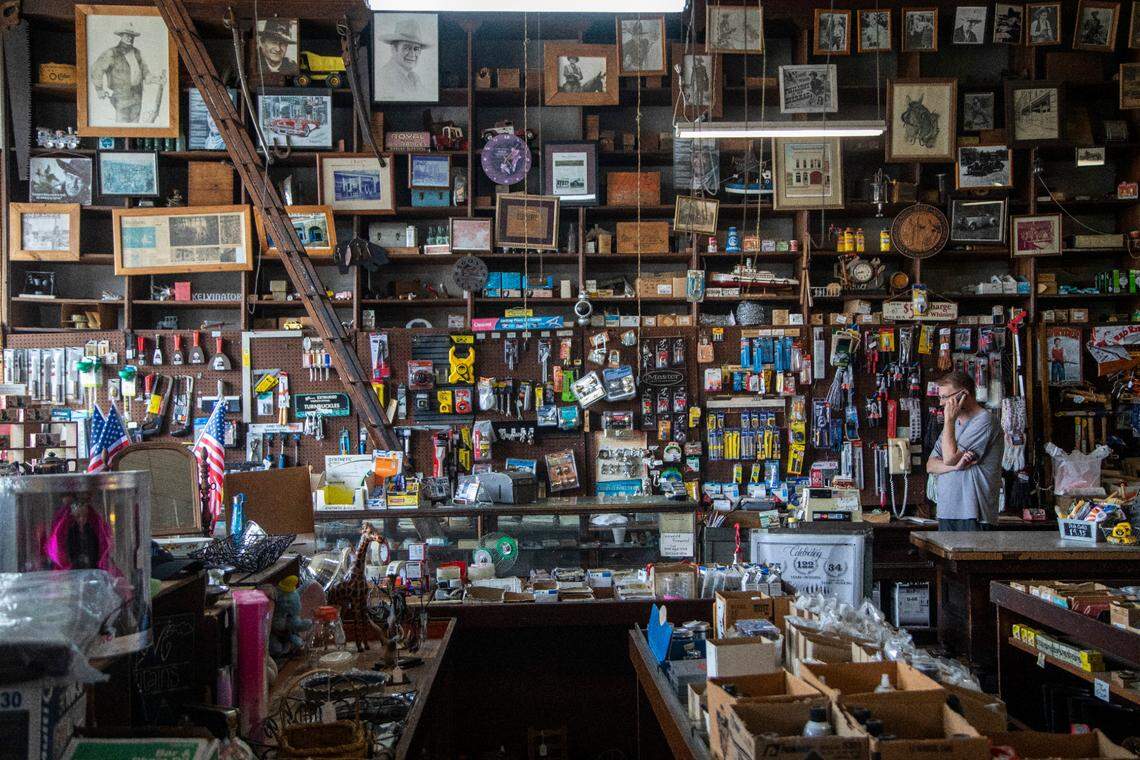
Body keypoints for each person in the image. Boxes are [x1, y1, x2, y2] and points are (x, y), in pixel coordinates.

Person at [926, 371, 1004, 531]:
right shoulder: (953, 426)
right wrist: (955, 467)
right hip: (947, 511)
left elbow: (949, 458)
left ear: (964, 394)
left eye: (945, 397)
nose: (941, 403)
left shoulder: (985, 421)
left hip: (974, 513)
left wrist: (948, 420)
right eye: (940, 397)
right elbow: (930, 465)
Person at [90, 24, 155, 123]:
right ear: (121, 36)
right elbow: (96, 69)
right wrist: (99, 89)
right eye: (127, 35)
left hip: (137, 95)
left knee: (135, 125)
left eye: (132, 36)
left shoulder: (137, 52)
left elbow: (145, 70)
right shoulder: (112, 53)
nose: (130, 38)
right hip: (121, 96)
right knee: (122, 125)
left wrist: (154, 79)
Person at [377, 18, 432, 99]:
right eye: (406, 48)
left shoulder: (415, 78)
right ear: (393, 49)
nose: (412, 54)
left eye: (416, 49)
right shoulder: (384, 78)